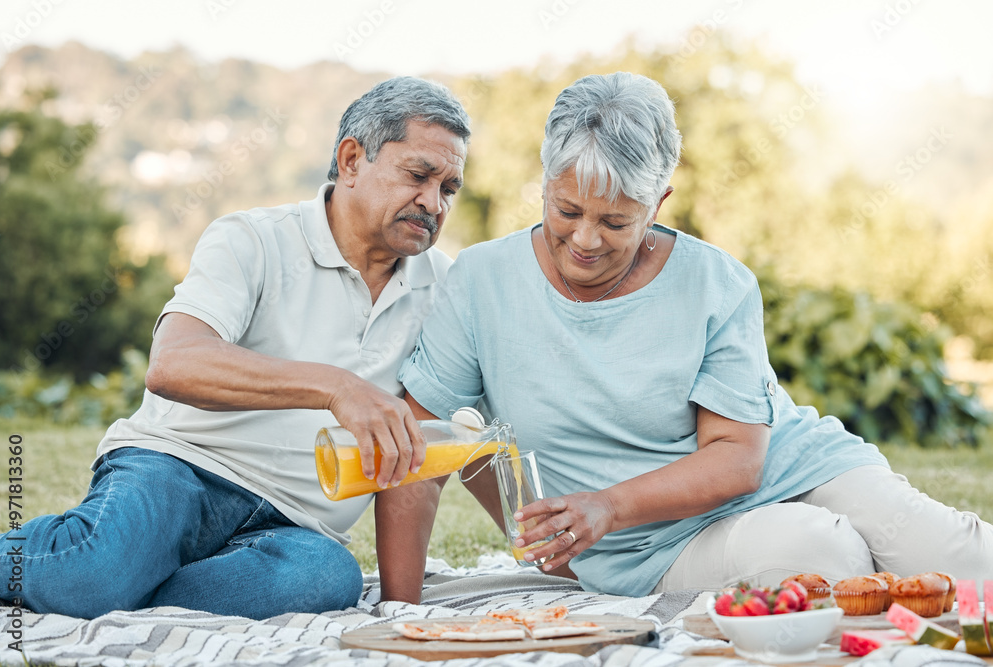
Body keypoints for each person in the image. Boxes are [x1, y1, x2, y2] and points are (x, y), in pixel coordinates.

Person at [375, 72, 993, 603]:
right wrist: (399, 613)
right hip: (654, 547)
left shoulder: (717, 281)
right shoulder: (483, 281)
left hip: (793, 465)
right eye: (567, 211)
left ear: (657, 202)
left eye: (615, 220)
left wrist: (606, 504)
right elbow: (421, 453)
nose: (586, 240)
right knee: (824, 555)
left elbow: (738, 456)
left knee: (960, 560)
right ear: (544, 184)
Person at [0, 76, 470, 619]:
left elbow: (418, 458)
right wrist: (335, 387)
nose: (433, 201)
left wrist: (402, 613)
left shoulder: (446, 290)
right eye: (418, 176)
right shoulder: (252, 239)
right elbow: (174, 364)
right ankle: (104, 574)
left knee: (326, 579)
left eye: (449, 189)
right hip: (177, 468)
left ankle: (126, 584)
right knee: (93, 577)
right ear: (352, 158)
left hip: (295, 526)